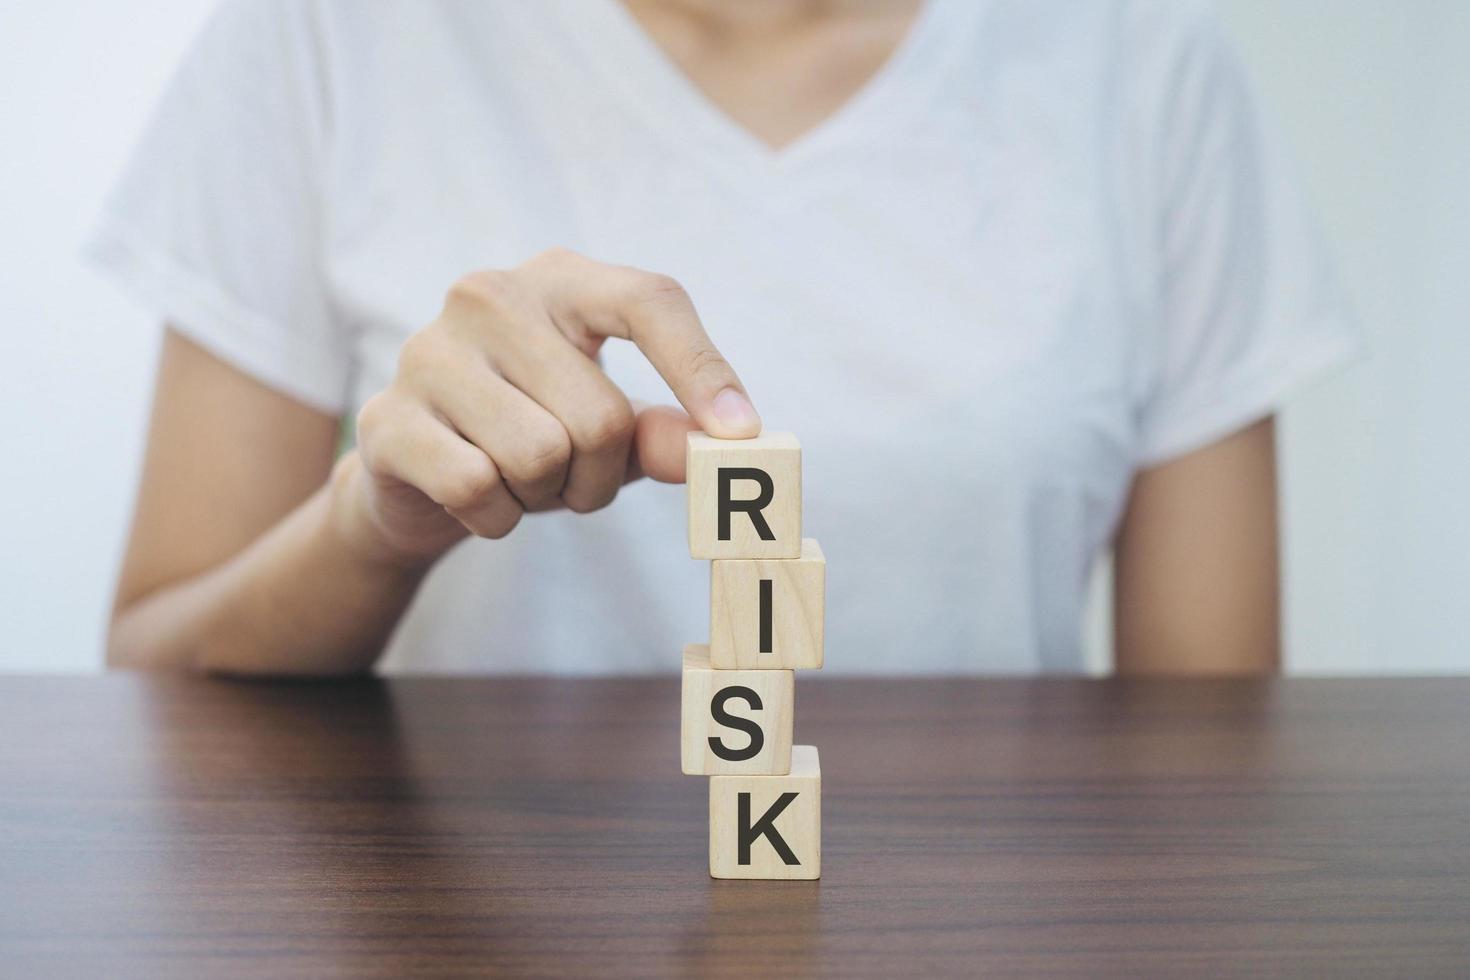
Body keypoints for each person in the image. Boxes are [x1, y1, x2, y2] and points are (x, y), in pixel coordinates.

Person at [88, 0, 1356, 677]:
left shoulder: (1144, 55)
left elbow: (1215, 737)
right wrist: (373, 521)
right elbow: (152, 663)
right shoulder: (325, 31)